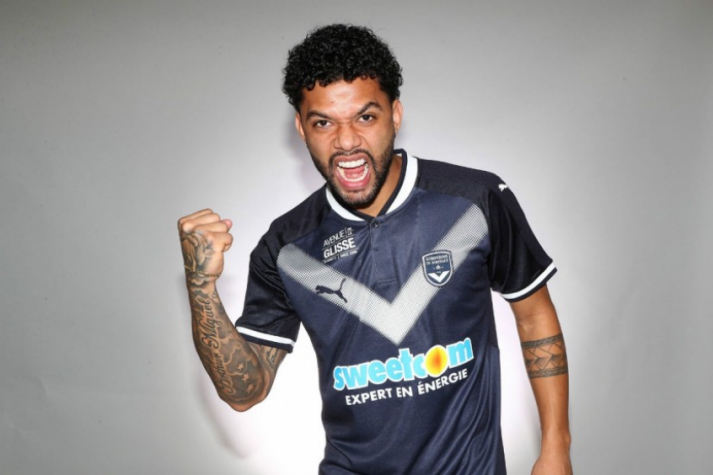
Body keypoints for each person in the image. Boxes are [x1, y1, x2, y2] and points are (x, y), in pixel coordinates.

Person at [178, 24, 572, 475]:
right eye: (323, 122)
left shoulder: (473, 201)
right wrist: (200, 285)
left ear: (395, 114)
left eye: (365, 117)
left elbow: (534, 313)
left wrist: (556, 447)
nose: (346, 142)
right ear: (301, 128)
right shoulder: (286, 247)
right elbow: (244, 392)